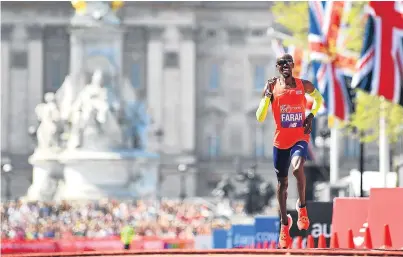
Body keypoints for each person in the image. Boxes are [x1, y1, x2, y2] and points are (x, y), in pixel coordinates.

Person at [255, 53, 324, 248]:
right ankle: (284, 225)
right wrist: (268, 95)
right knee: (282, 185)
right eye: (280, 63)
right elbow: (260, 117)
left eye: (288, 62)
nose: (285, 65)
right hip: (280, 143)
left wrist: (310, 116)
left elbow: (319, 99)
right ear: (277, 68)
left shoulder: (304, 85)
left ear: (293, 65)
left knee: (297, 168)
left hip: (300, 138)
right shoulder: (272, 87)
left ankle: (302, 208)